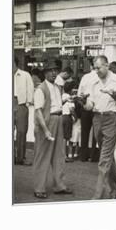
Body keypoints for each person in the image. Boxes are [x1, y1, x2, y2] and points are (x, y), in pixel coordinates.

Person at [83, 55, 116, 199]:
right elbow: (90, 104)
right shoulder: (93, 81)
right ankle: (115, 189)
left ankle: (98, 195)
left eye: (98, 68)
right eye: (94, 68)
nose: (96, 71)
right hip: (97, 118)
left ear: (107, 65)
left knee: (103, 159)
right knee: (108, 156)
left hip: (111, 118)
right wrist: (84, 102)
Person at [32, 60, 72, 199]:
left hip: (58, 119)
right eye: (51, 70)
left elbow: (55, 104)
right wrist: (45, 130)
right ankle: (39, 187)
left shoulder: (57, 87)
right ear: (45, 73)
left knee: (59, 155)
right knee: (42, 156)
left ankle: (59, 185)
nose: (54, 73)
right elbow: (38, 112)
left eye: (56, 70)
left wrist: (68, 100)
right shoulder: (40, 89)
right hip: (47, 122)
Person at [13, 56, 34, 166]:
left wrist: (27, 103)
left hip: (21, 104)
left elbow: (30, 89)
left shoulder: (25, 75)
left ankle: (20, 158)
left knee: (21, 132)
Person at [78, 59, 99, 162]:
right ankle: (94, 156)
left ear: (91, 66)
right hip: (96, 107)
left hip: (85, 106)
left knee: (84, 132)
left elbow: (79, 94)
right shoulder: (101, 77)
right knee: (96, 133)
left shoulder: (85, 77)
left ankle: (83, 155)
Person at [62, 81, 79, 162]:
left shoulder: (61, 96)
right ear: (70, 90)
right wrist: (75, 118)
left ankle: (61, 155)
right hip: (67, 118)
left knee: (62, 137)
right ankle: (65, 156)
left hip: (61, 116)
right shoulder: (70, 98)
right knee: (66, 138)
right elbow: (72, 109)